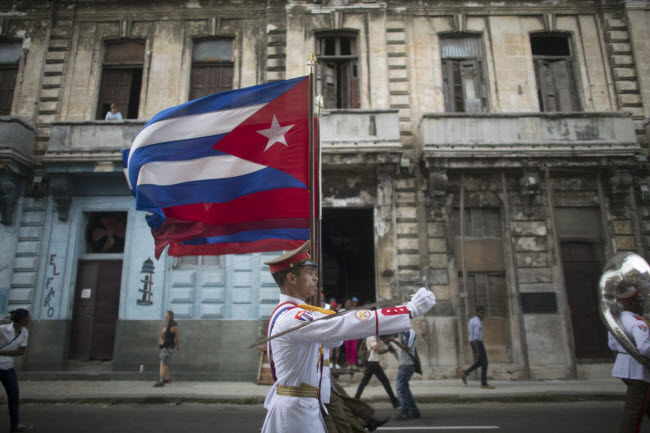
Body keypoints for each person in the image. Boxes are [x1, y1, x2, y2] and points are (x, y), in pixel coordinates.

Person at [260, 241, 436, 433]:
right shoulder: (293, 317)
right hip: (295, 414)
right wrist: (407, 310)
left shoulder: (300, 313)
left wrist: (333, 321)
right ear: (292, 278)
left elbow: (334, 338)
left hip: (303, 407)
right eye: (310, 273)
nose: (316, 279)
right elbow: (347, 324)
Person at [608, 288, 650, 432]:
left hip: (624, 366)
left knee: (644, 402)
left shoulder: (615, 320)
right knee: (635, 411)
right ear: (630, 303)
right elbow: (645, 348)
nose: (641, 305)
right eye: (639, 302)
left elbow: (612, 345)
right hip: (638, 370)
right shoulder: (639, 322)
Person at [322, 347, 390, 432]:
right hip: (316, 373)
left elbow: (335, 342)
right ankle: (357, 423)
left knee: (342, 396)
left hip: (324, 370)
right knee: (336, 405)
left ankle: (363, 420)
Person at [0, 309, 33, 432]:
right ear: (22, 319)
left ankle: (15, 425)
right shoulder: (3, 329)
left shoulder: (24, 332)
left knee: (13, 395)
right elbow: (18, 351)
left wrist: (3, 352)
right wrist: (10, 353)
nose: (29, 319)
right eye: (28, 317)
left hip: (8, 367)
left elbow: (21, 351)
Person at [355, 334, 400, 409]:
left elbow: (378, 352)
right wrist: (379, 340)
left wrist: (387, 350)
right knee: (384, 382)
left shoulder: (373, 337)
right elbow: (376, 348)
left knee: (366, 383)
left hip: (373, 362)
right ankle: (394, 402)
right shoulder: (372, 336)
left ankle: (356, 400)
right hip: (372, 363)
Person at [459, 306, 495, 389]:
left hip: (474, 343)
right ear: (479, 313)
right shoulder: (478, 323)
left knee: (479, 363)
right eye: (482, 313)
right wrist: (477, 351)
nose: (483, 315)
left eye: (483, 313)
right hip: (477, 343)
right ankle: (484, 383)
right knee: (485, 363)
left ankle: (465, 372)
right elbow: (476, 338)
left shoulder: (472, 320)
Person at [389, 329, 421, 420]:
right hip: (404, 364)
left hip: (407, 364)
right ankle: (414, 410)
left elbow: (407, 347)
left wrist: (395, 341)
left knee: (400, 387)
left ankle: (405, 411)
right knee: (404, 388)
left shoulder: (410, 332)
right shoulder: (402, 332)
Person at [154, 310, 180, 387]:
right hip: (164, 346)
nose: (165, 316)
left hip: (168, 346)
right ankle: (167, 378)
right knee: (165, 363)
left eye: (166, 315)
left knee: (163, 363)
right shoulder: (167, 324)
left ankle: (161, 381)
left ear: (170, 316)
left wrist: (178, 345)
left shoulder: (173, 325)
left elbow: (177, 336)